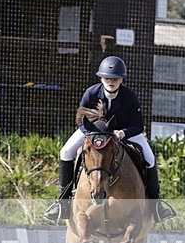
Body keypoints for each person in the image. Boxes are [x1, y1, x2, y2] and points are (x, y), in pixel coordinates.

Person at [42, 55, 176, 224]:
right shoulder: (91, 93)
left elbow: (138, 126)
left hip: (123, 133)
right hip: (94, 132)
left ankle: (156, 205)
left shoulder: (129, 96)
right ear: (101, 78)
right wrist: (91, 133)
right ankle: (62, 202)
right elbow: (80, 120)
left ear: (121, 80)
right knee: (66, 152)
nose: (111, 81)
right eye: (107, 78)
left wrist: (123, 133)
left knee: (150, 158)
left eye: (115, 78)